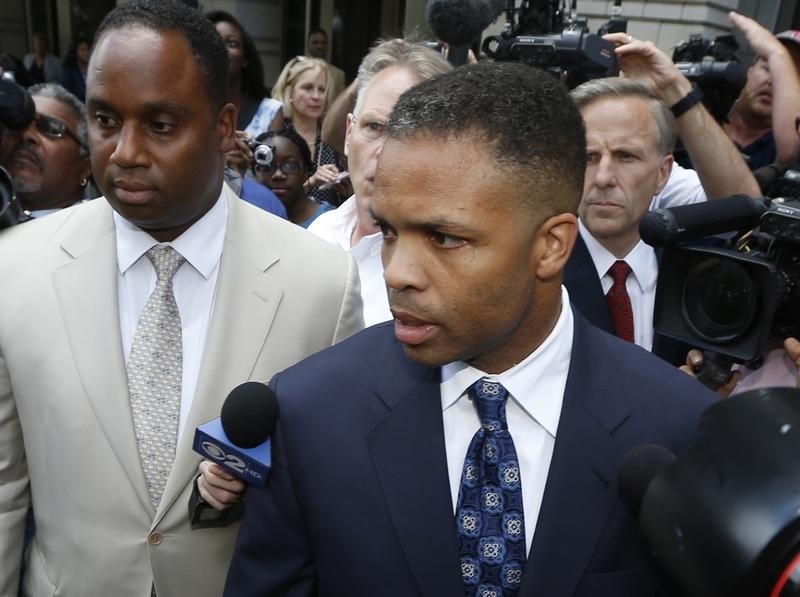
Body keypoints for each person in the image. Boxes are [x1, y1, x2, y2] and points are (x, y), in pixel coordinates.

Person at [223, 62, 717, 596]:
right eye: (389, 231)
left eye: (445, 238)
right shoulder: (308, 413)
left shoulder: (677, 428)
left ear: (551, 245)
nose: (398, 273)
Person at [0, 2, 363, 597]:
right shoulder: (14, 269)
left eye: (161, 125)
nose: (125, 152)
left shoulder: (322, 285)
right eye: (105, 120)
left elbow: (336, 499)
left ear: (224, 127)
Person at [309, 38, 452, 325]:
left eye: (407, 133)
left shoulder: (445, 274)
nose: (384, 152)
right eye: (374, 127)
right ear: (349, 134)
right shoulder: (319, 232)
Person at [2, 83, 91, 217]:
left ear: (85, 169)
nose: (27, 134)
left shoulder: (98, 231)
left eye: (50, 128)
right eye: (18, 124)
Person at [724, 12, 800, 168]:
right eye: (768, 68)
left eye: (787, 78)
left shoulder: (790, 152)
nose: (772, 81)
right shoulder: (705, 115)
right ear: (750, 71)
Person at [272, 56, 347, 206]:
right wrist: (311, 182)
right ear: (290, 93)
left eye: (322, 90)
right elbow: (271, 199)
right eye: (307, 88)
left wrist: (346, 190)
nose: (316, 96)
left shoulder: (331, 137)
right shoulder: (278, 135)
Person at [206, 10, 284, 137]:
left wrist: (248, 156)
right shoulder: (192, 108)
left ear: (245, 58)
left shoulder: (270, 111)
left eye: (232, 43)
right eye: (215, 42)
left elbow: (275, 156)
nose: (223, 49)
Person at [253, 126, 332, 227]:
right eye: (267, 167)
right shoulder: (249, 218)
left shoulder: (329, 221)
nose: (278, 175)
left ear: (306, 171)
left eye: (289, 165)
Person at [306, 27, 346, 101]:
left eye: (323, 43)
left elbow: (340, 101)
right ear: (308, 45)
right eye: (315, 43)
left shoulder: (338, 74)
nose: (319, 46)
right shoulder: (298, 72)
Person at [58, 37, 90, 102]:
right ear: (75, 53)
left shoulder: (94, 69)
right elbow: (64, 95)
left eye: (88, 49)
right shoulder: (68, 72)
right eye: (82, 50)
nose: (87, 52)